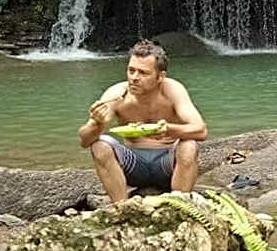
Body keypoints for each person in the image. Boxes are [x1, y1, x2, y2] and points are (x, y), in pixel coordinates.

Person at [78, 39, 208, 203]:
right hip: (134, 165)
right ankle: (122, 208)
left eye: (143, 73)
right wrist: (96, 124)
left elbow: (201, 130)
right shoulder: (118, 94)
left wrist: (169, 130)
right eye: (131, 70)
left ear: (160, 77)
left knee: (189, 145)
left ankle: (178, 205)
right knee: (100, 145)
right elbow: (85, 141)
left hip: (166, 164)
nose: (134, 78)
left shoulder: (172, 90)